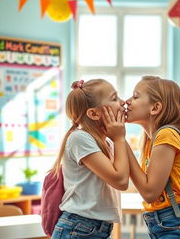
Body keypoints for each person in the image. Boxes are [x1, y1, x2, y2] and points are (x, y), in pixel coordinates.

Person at [124, 76, 180, 238]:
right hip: (168, 223)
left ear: (155, 107)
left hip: (177, 225)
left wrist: (120, 140)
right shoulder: (150, 139)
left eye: (135, 96)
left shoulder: (166, 135)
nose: (127, 101)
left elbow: (149, 192)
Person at [51, 79, 130, 239]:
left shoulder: (107, 141)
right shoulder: (80, 138)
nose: (123, 103)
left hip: (95, 228)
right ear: (94, 113)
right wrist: (120, 139)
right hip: (78, 228)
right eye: (114, 98)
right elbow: (121, 180)